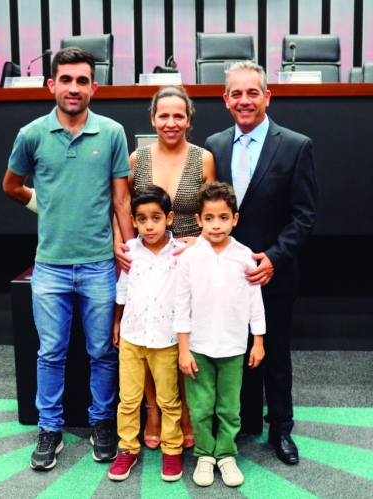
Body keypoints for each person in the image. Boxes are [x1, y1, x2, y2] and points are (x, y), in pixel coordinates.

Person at [2, 46, 136, 471]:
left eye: (82, 81)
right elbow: (11, 185)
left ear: (94, 87)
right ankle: (50, 429)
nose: (73, 88)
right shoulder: (31, 135)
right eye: (66, 80)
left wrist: (133, 255)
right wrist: (42, 205)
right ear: (51, 85)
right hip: (50, 267)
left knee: (103, 352)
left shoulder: (112, 132)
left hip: (99, 266)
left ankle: (102, 423)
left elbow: (121, 201)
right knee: (50, 353)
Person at [204, 61, 318, 466]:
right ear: (225, 100)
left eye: (252, 92)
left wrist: (274, 257)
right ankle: (244, 421)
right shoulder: (214, 145)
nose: (245, 100)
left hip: (274, 275)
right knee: (234, 352)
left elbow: (304, 215)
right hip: (226, 277)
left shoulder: (295, 145)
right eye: (236, 93)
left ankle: (281, 429)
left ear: (267, 96)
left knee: (275, 356)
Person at [116, 86, 215, 450]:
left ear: (189, 119)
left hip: (190, 263)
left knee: (181, 340)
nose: (171, 122)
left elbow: (213, 210)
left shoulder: (203, 158)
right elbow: (122, 205)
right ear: (152, 119)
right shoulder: (137, 159)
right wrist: (121, 245)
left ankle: (184, 412)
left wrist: (199, 243)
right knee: (147, 337)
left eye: (178, 116)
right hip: (146, 260)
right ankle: (153, 412)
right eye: (164, 115)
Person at [175, 182, 265, 488]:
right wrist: (183, 348)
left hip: (233, 347)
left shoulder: (244, 256)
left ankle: (226, 454)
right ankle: (204, 454)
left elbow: (255, 302)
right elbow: (181, 304)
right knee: (201, 407)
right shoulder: (189, 257)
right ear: (198, 219)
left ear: (235, 219)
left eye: (223, 217)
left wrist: (258, 341)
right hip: (197, 348)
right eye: (209, 218)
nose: (216, 225)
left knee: (229, 407)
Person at [108, 185, 184, 482]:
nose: (149, 225)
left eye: (156, 218)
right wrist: (116, 323)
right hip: (132, 337)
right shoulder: (130, 251)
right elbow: (123, 290)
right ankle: (127, 448)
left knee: (169, 400)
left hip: (166, 340)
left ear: (169, 218)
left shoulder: (181, 253)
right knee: (128, 400)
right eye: (142, 219)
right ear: (134, 221)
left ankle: (172, 449)